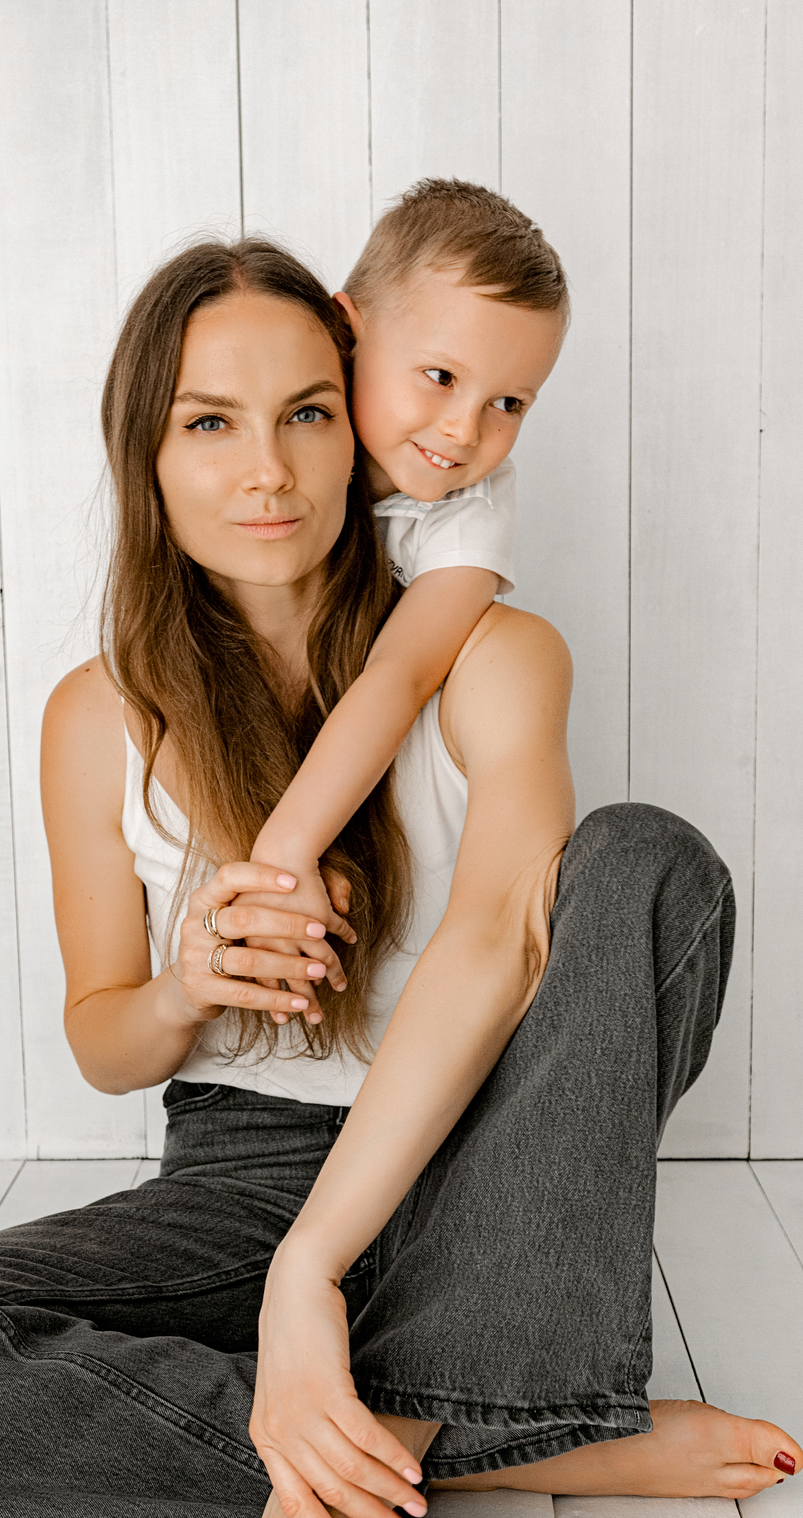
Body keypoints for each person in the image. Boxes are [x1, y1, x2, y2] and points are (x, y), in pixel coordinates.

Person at [0, 237, 803, 1518]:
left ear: (362, 411)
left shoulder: (495, 654)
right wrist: (189, 985)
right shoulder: (97, 713)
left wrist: (311, 1272)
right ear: (148, 447)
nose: (267, 469)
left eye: (308, 414)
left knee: (652, 863)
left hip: (474, 1153)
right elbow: (105, 1042)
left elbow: (496, 949)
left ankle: (366, 1426)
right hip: (242, 1168)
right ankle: (474, 1439)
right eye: (210, 421)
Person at [247, 180, 566, 1005]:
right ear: (345, 333)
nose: (465, 430)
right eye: (439, 375)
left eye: (508, 403)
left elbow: (404, 671)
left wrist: (285, 852)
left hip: (395, 771)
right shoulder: (280, 450)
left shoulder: (470, 507)